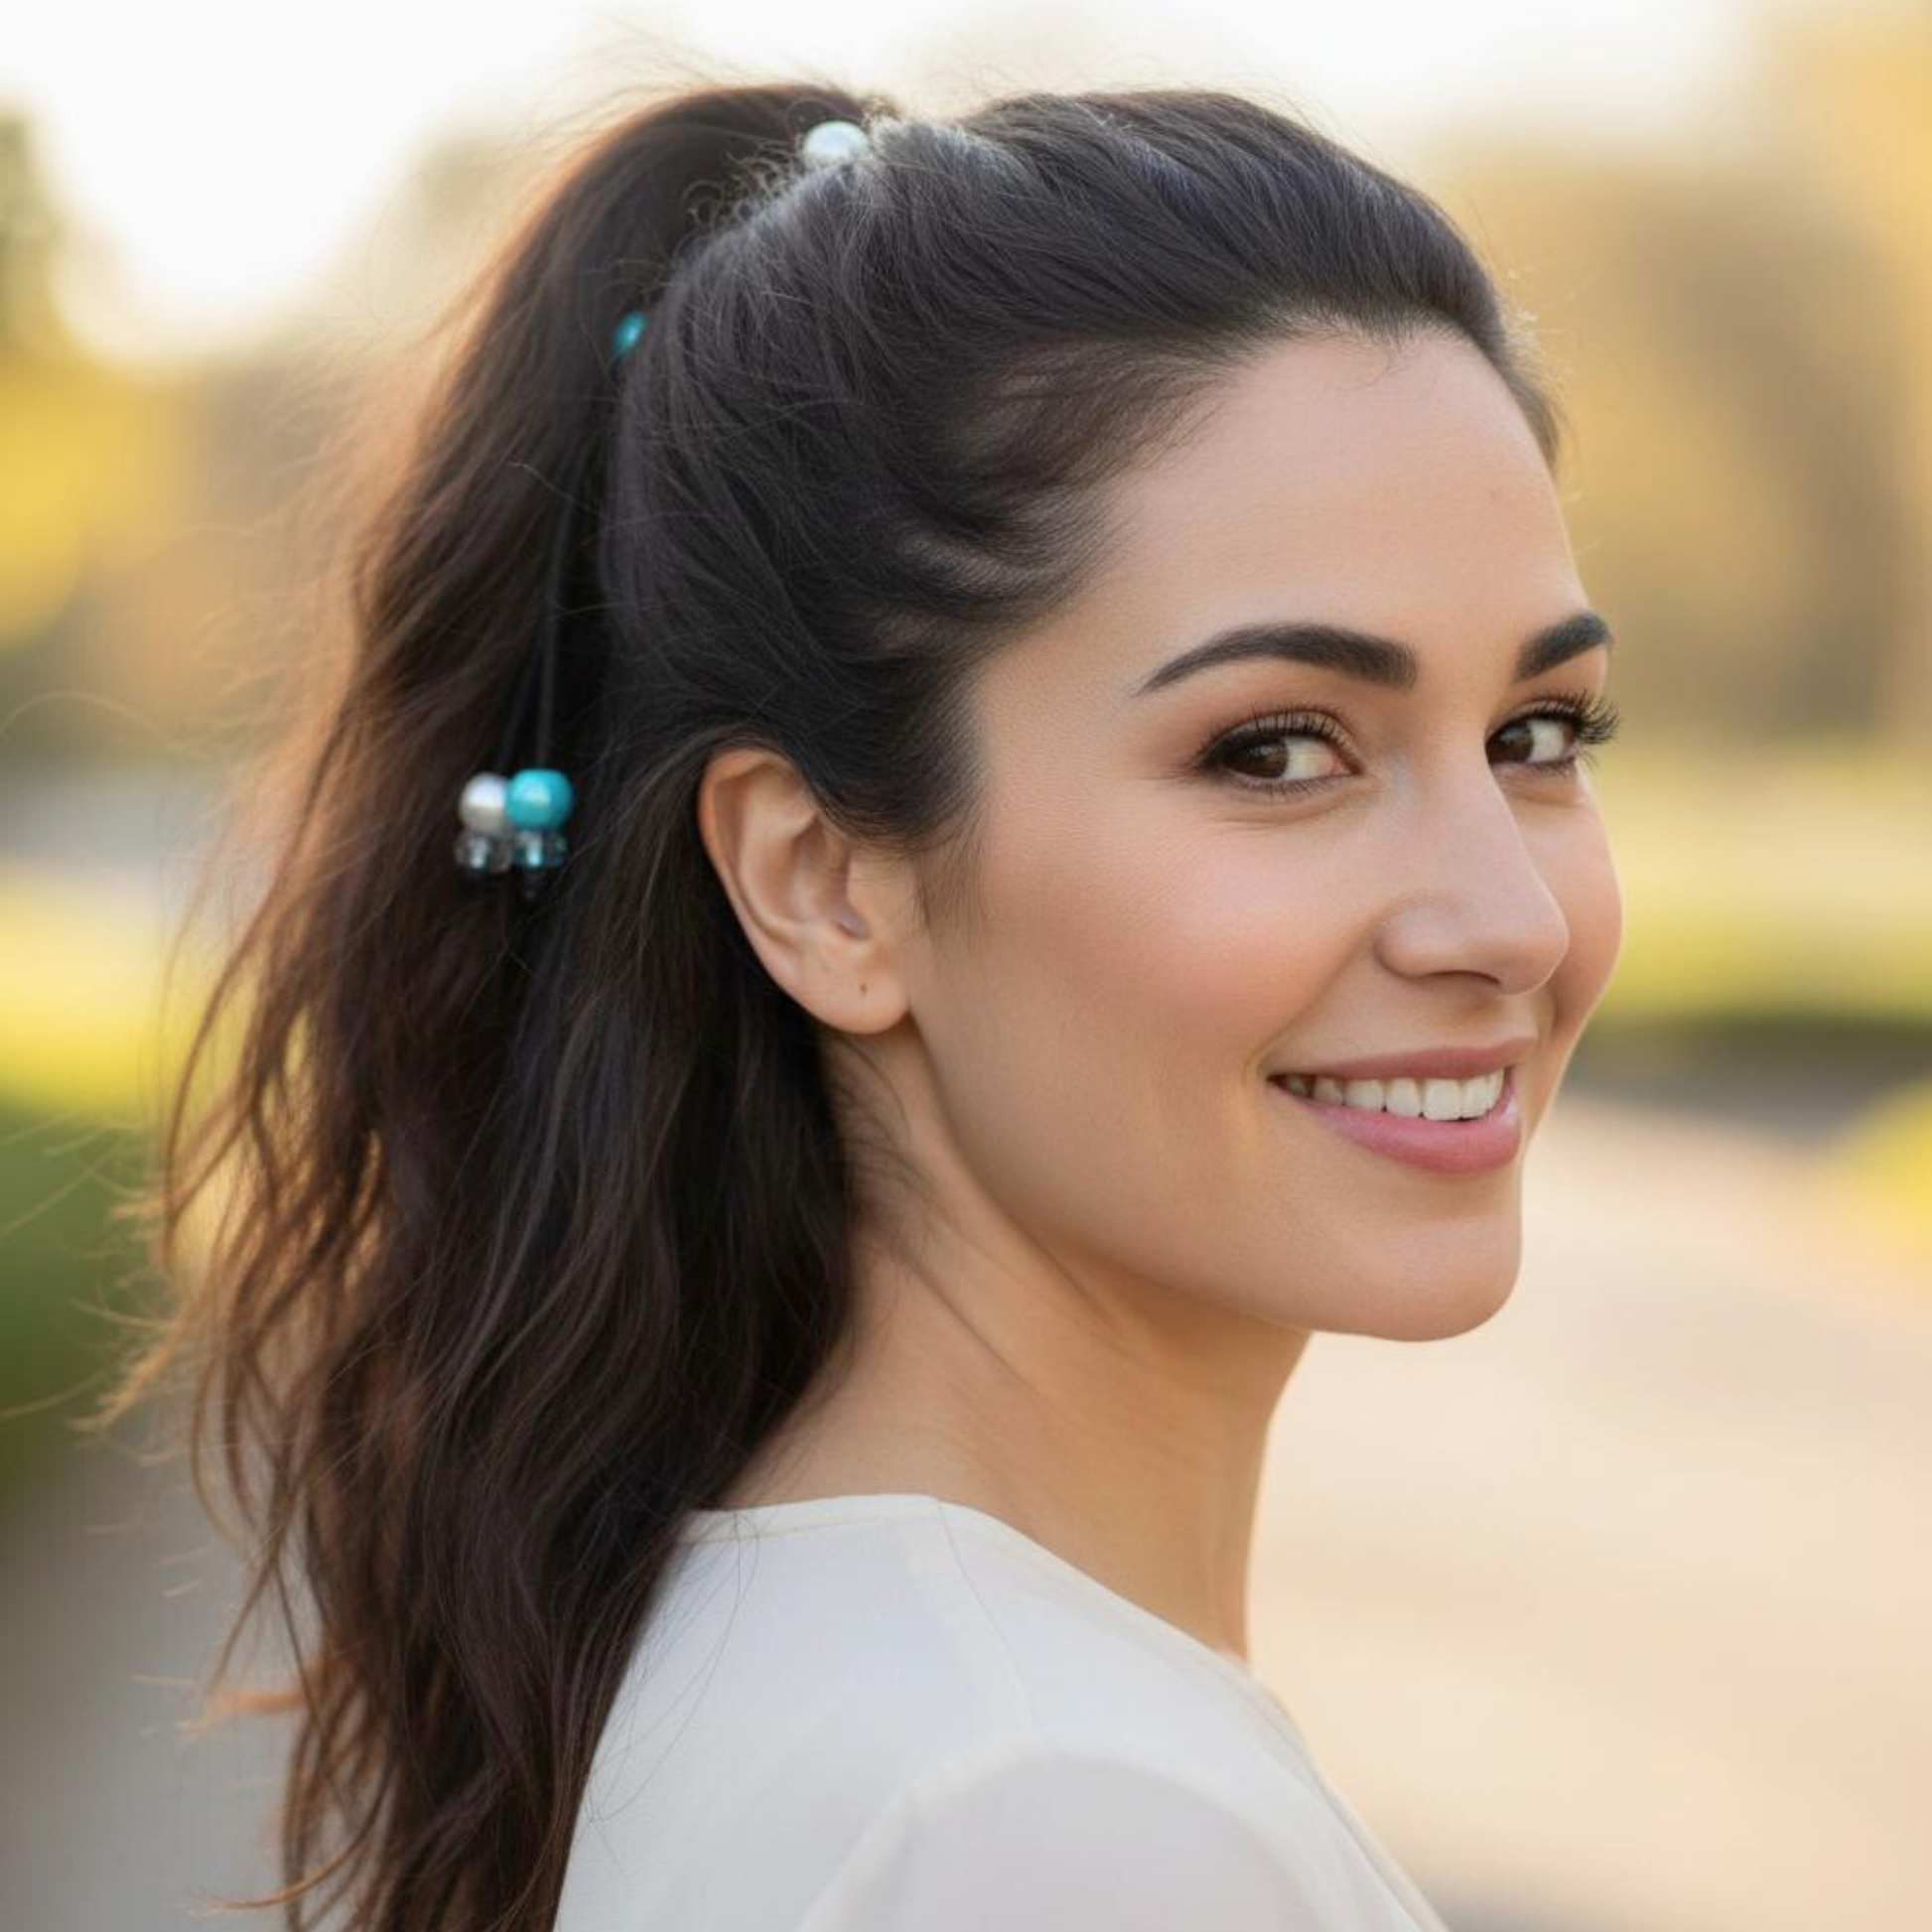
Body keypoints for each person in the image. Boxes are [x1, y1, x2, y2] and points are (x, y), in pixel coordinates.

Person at [108, 75, 1623, 1932]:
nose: (1507, 917)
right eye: (1277, 748)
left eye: (1536, 734)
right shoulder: (1053, 1820)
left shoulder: (839, 1683)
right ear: (822, 881)